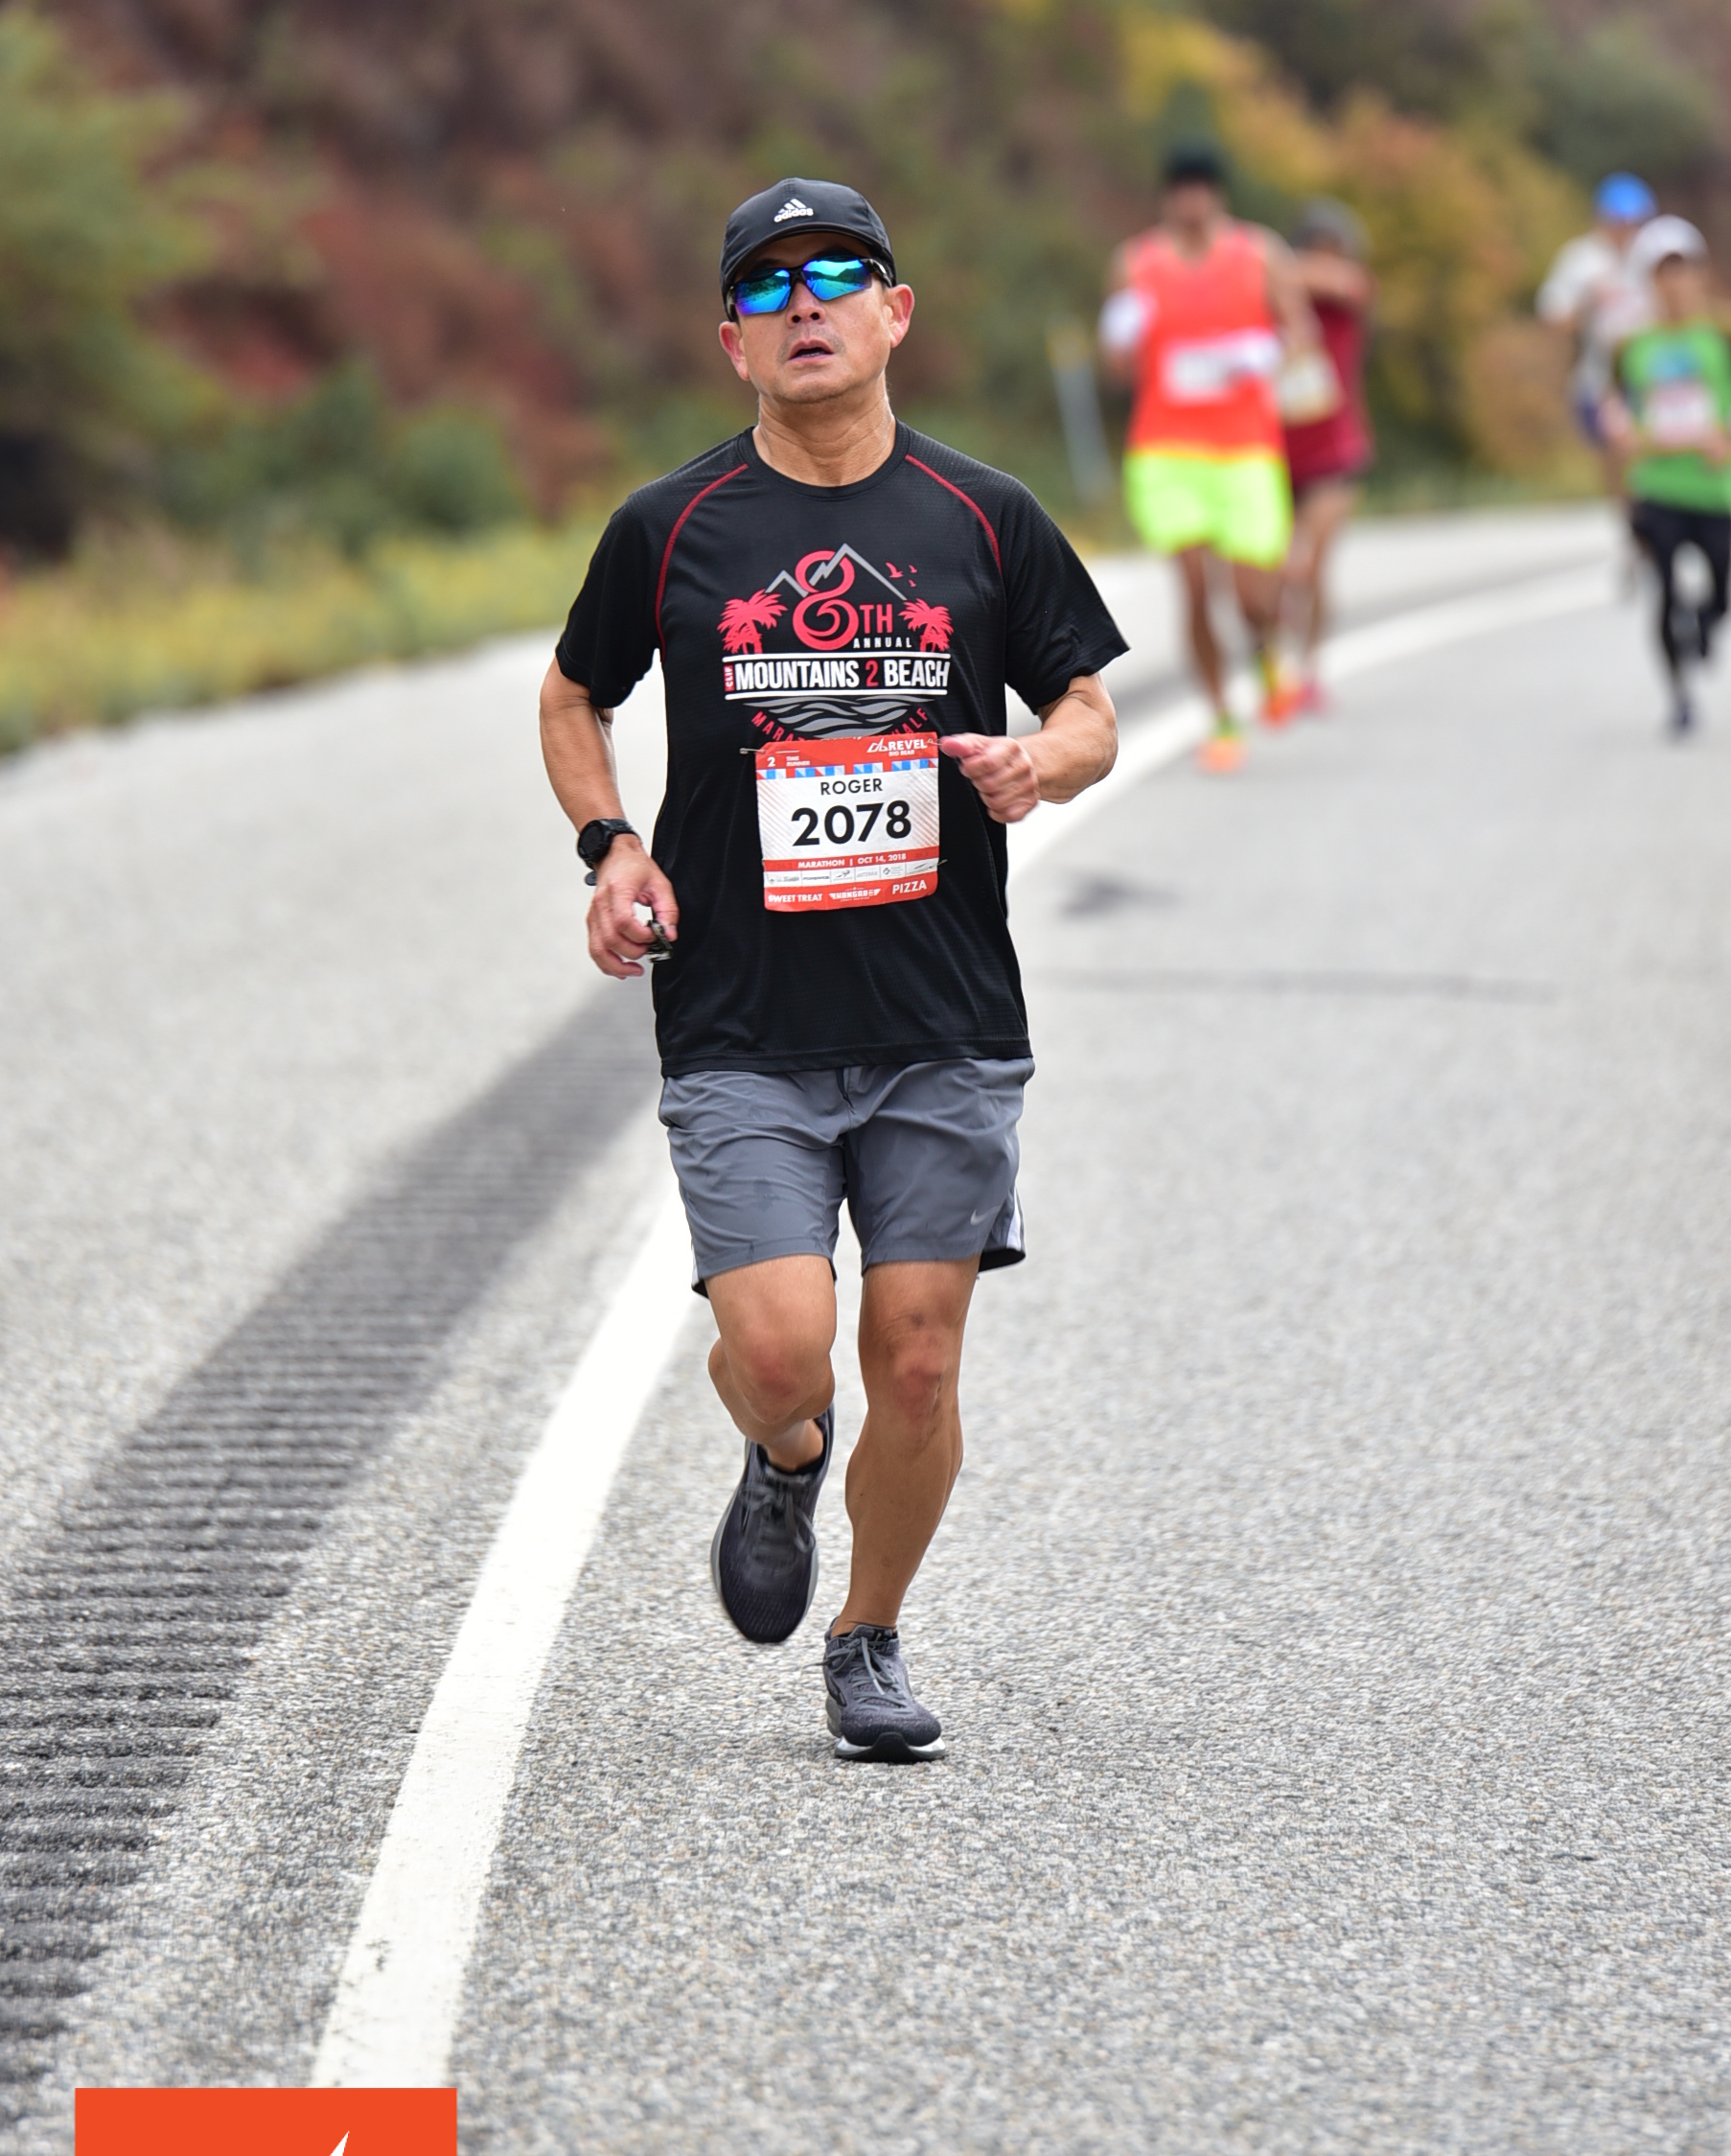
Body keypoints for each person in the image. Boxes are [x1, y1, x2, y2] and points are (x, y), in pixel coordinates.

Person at [540, 178, 1125, 1760]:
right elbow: (573, 694)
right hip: (741, 1016)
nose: (804, 304)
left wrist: (1038, 762)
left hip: (943, 1016)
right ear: (731, 339)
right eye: (767, 285)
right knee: (785, 1352)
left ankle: (866, 1638)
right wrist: (611, 846)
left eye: (837, 274)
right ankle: (786, 1453)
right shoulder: (669, 528)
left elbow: (1088, 709)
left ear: (894, 313)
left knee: (918, 1359)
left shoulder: (983, 515)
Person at [1099, 143, 1317, 772]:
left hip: (1246, 449)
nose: (1191, 201)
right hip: (1166, 452)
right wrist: (1120, 337)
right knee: (1195, 586)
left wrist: (1263, 353)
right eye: (1181, 189)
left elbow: (1302, 334)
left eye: (1202, 188)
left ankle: (1268, 651)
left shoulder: (1260, 253)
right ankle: (1221, 716)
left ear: (1218, 194)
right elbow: (1116, 367)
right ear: (1168, 196)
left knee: (1251, 598)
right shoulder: (1136, 264)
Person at [1603, 217, 1731, 736]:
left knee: (1724, 596)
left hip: (1713, 485)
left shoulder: (1729, 333)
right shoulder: (1631, 341)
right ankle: (1679, 697)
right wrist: (1619, 428)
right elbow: (1612, 402)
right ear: (1649, 279)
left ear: (1700, 273)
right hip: (1657, 483)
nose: (1674, 283)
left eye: (1683, 270)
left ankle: (1707, 624)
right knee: (1665, 594)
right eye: (1663, 272)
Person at [1279, 197, 1374, 710]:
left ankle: (1311, 665)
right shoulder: (1277, 297)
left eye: (1334, 250)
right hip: (1277, 448)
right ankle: (1277, 657)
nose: (1325, 260)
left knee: (1311, 566)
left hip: (1335, 448)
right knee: (1276, 571)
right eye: (1317, 248)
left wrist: (1280, 271)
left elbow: (1341, 282)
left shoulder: (1347, 289)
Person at [1536, 171, 1658, 534]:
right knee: (1616, 457)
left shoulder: (1655, 256)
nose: (1627, 229)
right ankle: (1632, 527)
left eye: (1634, 221)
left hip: (1653, 376)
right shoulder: (1582, 259)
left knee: (1643, 454)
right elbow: (1553, 318)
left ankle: (1649, 522)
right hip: (1602, 379)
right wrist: (1589, 301)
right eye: (1619, 220)